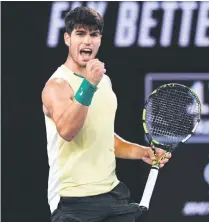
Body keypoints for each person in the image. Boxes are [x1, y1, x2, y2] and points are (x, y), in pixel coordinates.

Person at [42, 6, 171, 222]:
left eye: (93, 35)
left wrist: (141, 152)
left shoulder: (105, 81)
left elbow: (101, 137)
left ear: (100, 40)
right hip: (71, 201)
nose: (87, 41)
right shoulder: (57, 85)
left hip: (111, 195)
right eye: (80, 34)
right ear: (67, 39)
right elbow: (67, 131)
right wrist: (89, 84)